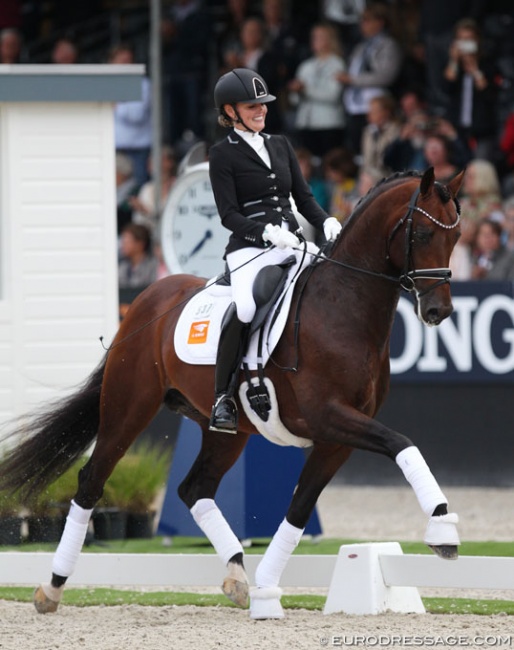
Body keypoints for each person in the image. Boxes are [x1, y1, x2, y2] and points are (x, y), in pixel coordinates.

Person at [207, 68, 341, 433]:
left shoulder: (280, 145)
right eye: (252, 106)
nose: (261, 111)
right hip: (249, 249)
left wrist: (327, 221)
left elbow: (304, 198)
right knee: (248, 305)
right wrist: (265, 233)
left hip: (293, 242)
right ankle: (223, 397)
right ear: (231, 111)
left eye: (263, 105)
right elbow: (229, 215)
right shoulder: (222, 154)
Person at [337, 3, 402, 154]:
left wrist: (353, 79)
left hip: (375, 105)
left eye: (367, 20)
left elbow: (386, 76)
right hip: (354, 106)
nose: (362, 25)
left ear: (379, 22)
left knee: (374, 149)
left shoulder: (388, 45)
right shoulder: (361, 47)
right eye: (362, 20)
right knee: (356, 149)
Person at [442, 18, 499, 161]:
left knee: (479, 170)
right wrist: (454, 61)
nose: (465, 43)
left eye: (469, 39)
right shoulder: (454, 67)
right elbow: (446, 88)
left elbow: (490, 95)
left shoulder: (487, 65)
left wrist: (475, 70)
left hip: (482, 132)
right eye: (461, 39)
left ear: (477, 41)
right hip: (457, 130)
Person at [287, 22, 346, 158]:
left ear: (330, 40)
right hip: (306, 123)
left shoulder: (337, 63)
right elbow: (294, 101)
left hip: (329, 124)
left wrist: (305, 89)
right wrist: (296, 92)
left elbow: (333, 95)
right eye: (313, 37)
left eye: (319, 37)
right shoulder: (305, 66)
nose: (314, 40)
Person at [109, 43, 152, 187]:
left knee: (138, 190)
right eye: (121, 62)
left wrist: (116, 105)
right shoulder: (106, 84)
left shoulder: (143, 84)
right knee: (113, 191)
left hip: (138, 151)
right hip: (113, 148)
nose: (125, 66)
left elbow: (136, 115)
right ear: (111, 63)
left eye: (128, 61)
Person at [118, 223, 159, 290]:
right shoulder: (123, 266)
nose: (123, 245)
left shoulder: (153, 265)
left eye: (127, 242)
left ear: (140, 244)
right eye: (123, 242)